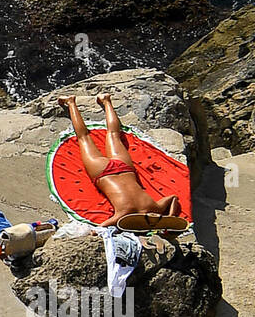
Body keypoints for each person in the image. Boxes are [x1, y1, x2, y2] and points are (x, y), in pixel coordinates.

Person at [58, 93, 186, 228]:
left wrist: (170, 217)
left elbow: (173, 198)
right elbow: (100, 228)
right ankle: (71, 102)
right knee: (84, 137)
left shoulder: (155, 208)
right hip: (103, 172)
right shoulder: (124, 214)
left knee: (114, 135)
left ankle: (106, 100)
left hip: (124, 168)